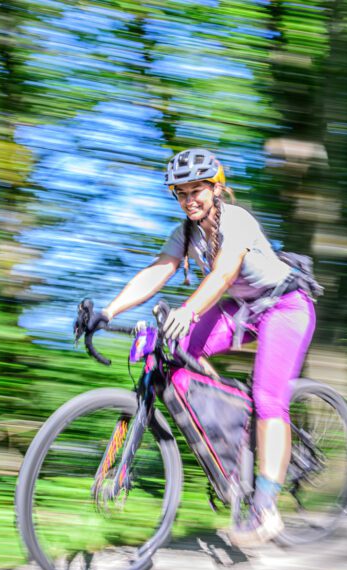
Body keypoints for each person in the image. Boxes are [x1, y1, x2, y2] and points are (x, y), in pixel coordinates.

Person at [84, 148, 316, 545]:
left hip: (284, 306)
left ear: (217, 189)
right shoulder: (186, 233)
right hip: (239, 309)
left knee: (267, 398)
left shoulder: (237, 221)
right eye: (181, 193)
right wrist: (107, 311)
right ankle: (230, 425)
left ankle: (266, 508)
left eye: (197, 191)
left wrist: (189, 311)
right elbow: (158, 270)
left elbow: (225, 272)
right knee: (170, 352)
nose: (190, 199)